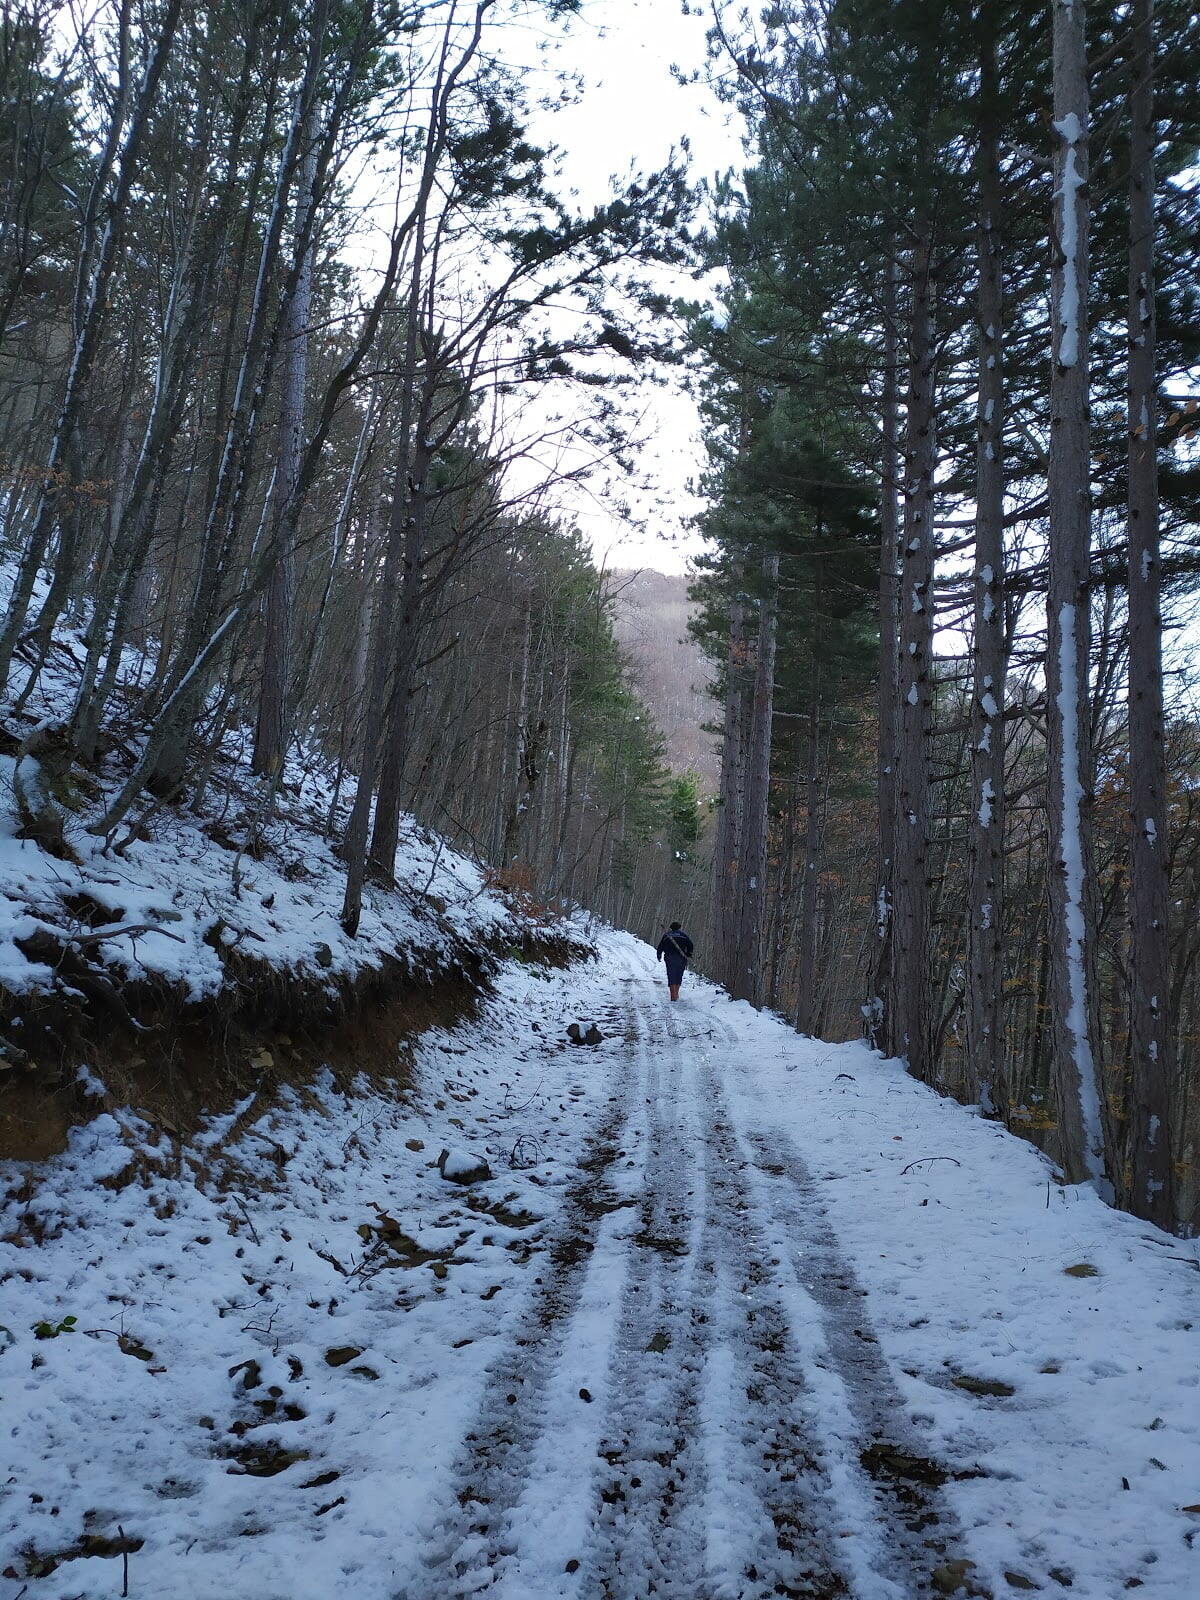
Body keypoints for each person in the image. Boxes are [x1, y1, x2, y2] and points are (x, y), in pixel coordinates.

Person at [655, 921, 694, 1002]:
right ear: (679, 927)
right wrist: (688, 954)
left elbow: (660, 946)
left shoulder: (666, 935)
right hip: (681, 958)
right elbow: (690, 945)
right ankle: (676, 993)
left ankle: (673, 995)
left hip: (669, 958)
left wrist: (659, 956)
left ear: (671, 927)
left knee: (671, 975)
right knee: (679, 975)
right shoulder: (683, 935)